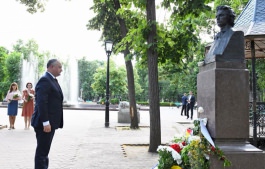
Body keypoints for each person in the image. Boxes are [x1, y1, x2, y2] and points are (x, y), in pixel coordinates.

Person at [31, 59, 64, 169]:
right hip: (44, 124)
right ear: (51, 67)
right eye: (59, 67)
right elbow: (41, 102)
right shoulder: (45, 80)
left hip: (49, 123)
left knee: (44, 151)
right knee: (42, 152)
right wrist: (46, 122)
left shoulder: (52, 80)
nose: (61, 69)